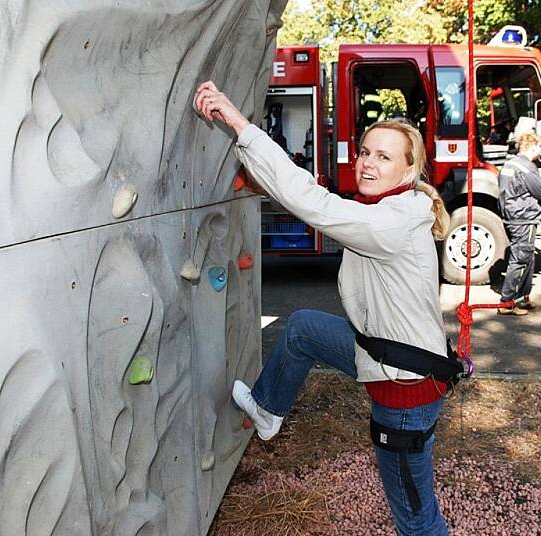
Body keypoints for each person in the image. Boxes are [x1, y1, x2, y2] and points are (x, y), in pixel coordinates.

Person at [194, 80, 459, 535]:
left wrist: (239, 124)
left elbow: (316, 205)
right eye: (366, 152)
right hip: (384, 354)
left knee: (416, 519)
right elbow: (319, 203)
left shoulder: (389, 222)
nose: (368, 163)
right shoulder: (393, 207)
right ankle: (268, 410)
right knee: (302, 328)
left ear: (408, 170)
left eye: (384, 157)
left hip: (404, 393)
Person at [497, 132, 541, 316]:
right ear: (532, 147)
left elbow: (522, 185)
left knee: (528, 259)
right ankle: (507, 303)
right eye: (539, 147)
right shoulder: (526, 167)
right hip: (524, 218)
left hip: (513, 215)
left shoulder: (510, 164)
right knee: (521, 259)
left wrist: (539, 176)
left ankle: (523, 298)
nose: (540, 150)